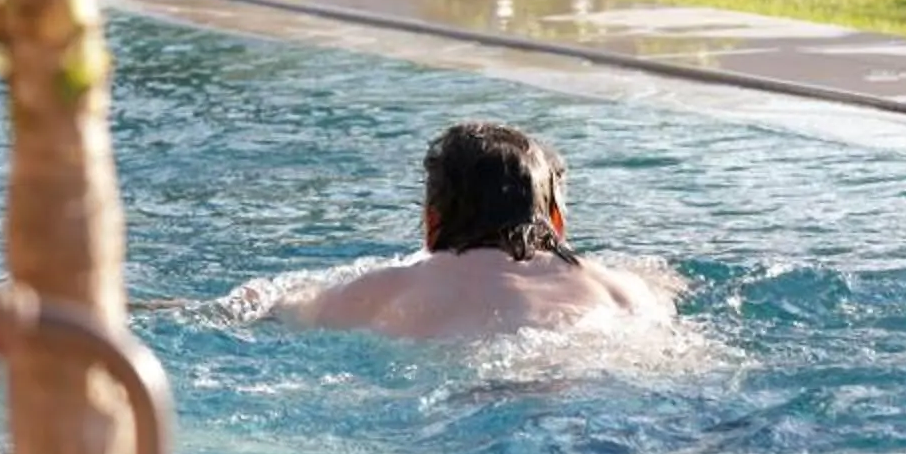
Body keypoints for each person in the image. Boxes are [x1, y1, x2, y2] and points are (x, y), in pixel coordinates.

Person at [270, 121, 676, 340]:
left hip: (466, 387)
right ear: (556, 222)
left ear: (432, 224)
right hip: (587, 370)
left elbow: (286, 307)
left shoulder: (386, 290)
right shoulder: (621, 290)